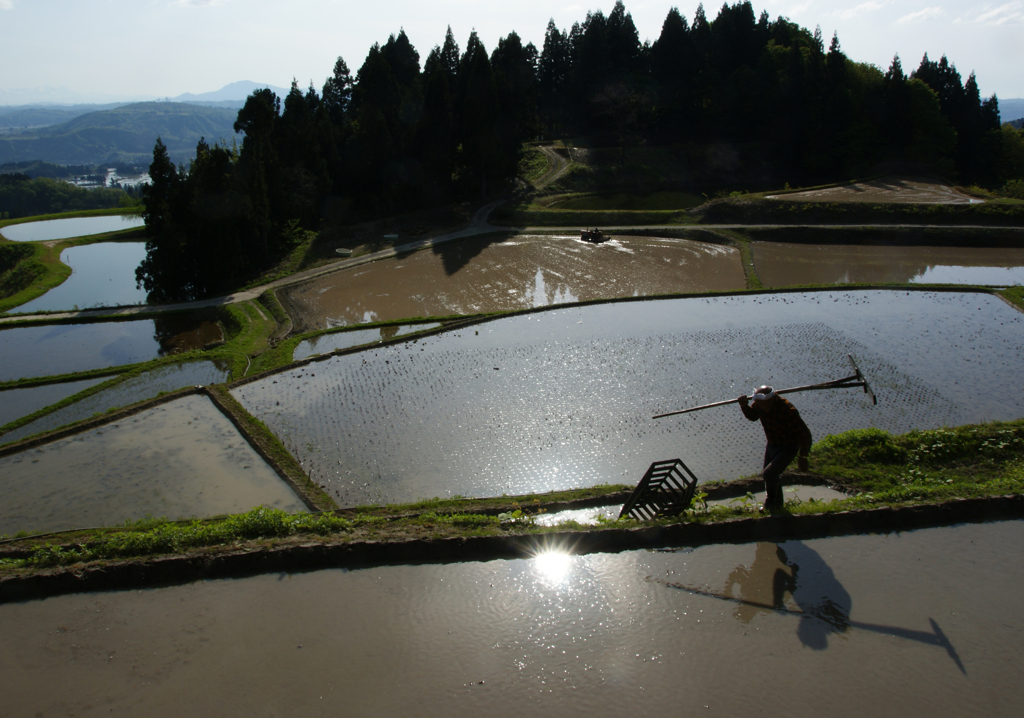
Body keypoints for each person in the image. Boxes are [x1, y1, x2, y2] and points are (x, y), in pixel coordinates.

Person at [738, 385, 812, 512]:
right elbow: (754, 416)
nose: (759, 406)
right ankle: (778, 506)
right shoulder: (760, 405)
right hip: (772, 444)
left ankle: (770, 505)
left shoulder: (787, 410)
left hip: (788, 446)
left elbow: (805, 434)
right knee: (770, 476)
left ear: (771, 400)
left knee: (769, 473)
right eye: (757, 403)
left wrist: (803, 456)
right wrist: (744, 405)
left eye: (762, 404)